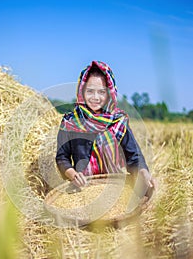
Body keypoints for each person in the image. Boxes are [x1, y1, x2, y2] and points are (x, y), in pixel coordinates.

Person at [55, 60, 155, 199]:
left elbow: (134, 156)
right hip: (83, 189)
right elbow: (62, 157)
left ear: (109, 93)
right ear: (82, 91)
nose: (95, 97)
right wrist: (73, 174)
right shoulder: (70, 122)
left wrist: (143, 172)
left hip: (114, 186)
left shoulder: (118, 121)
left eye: (101, 92)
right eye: (90, 91)